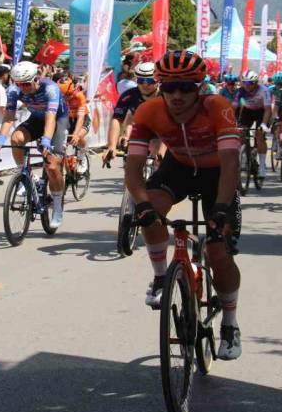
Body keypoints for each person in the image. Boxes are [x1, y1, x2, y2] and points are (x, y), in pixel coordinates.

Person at [124, 51, 243, 360]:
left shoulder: (217, 107)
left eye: (186, 88)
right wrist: (142, 205)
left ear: (199, 87)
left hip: (217, 174)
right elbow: (133, 168)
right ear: (160, 88)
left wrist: (221, 208)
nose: (177, 96)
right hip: (177, 169)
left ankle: (230, 323)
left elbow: (231, 164)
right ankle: (161, 276)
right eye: (169, 88)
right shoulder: (149, 110)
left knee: (217, 250)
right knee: (150, 212)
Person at [0, 60, 69, 228]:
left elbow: (50, 118)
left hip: (57, 120)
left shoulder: (50, 89)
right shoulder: (13, 90)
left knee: (52, 166)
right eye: (19, 84)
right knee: (16, 138)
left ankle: (57, 206)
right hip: (36, 119)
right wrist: (1, 138)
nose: (23, 88)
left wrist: (46, 140)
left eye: (26, 84)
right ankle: (26, 176)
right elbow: (9, 116)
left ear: (36, 79)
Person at [103, 61, 158, 166]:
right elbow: (117, 119)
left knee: (158, 151)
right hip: (142, 129)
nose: (145, 85)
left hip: (162, 130)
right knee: (131, 161)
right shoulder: (128, 95)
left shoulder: (165, 94)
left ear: (158, 80)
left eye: (150, 81)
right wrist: (111, 146)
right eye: (141, 81)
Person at [233, 70, 272, 178]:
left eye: (249, 83)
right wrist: (230, 123)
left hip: (262, 112)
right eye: (244, 83)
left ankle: (262, 166)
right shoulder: (240, 91)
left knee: (259, 136)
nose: (246, 85)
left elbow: (268, 110)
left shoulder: (264, 90)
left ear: (255, 83)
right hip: (247, 111)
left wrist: (263, 124)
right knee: (240, 133)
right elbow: (233, 108)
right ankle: (244, 155)